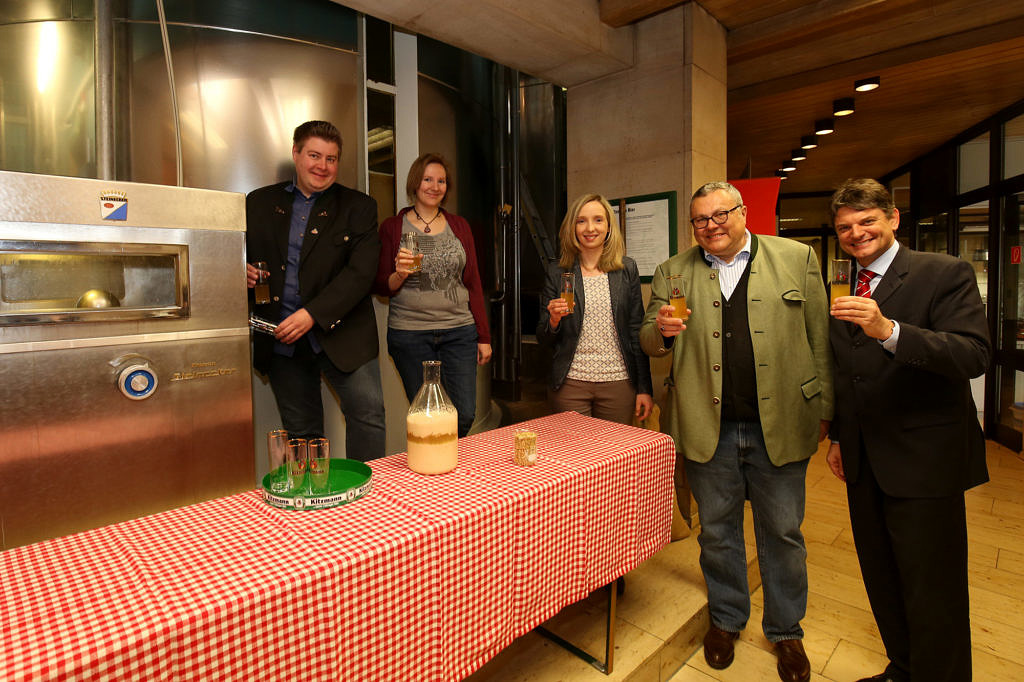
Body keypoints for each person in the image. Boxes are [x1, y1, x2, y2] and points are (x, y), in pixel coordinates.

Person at [640, 182, 832, 682]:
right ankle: (726, 619)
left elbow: (820, 337)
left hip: (782, 424)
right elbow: (648, 340)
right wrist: (660, 329)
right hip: (708, 428)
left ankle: (787, 632)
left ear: (743, 212)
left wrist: (828, 410)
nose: (712, 225)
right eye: (701, 219)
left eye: (721, 214)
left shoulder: (795, 258)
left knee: (783, 534)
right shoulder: (672, 271)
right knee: (718, 533)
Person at [827, 179, 990, 682]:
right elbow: (847, 370)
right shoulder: (847, 283)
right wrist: (837, 437)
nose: (857, 234)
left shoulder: (944, 273)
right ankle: (903, 667)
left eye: (867, 221)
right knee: (882, 576)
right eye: (846, 228)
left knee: (931, 585)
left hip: (924, 460)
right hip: (863, 457)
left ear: (893, 219)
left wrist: (890, 332)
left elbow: (973, 354)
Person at [246, 120, 385, 462]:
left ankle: (369, 501)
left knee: (368, 418)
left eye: (331, 159)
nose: (322, 166)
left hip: (345, 335)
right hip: (284, 339)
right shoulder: (258, 202)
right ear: (296, 153)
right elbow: (233, 253)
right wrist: (240, 271)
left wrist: (312, 315)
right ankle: (313, 505)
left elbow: (360, 274)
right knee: (302, 433)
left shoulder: (360, 207)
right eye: (314, 155)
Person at [373, 153, 491, 437]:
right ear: (415, 182)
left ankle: (449, 466)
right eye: (428, 179)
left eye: (441, 181)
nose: (435, 186)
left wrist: (484, 336)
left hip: (459, 331)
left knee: (463, 413)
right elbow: (379, 286)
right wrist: (400, 274)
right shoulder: (392, 227)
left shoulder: (459, 226)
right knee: (427, 417)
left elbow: (473, 282)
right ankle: (434, 475)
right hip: (410, 334)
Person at [537, 193, 654, 425]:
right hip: (570, 384)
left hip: (619, 383)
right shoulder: (557, 271)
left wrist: (644, 388)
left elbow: (635, 329)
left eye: (598, 220)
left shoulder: (626, 268)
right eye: (581, 221)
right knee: (574, 457)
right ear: (572, 227)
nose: (590, 228)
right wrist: (553, 321)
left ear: (609, 226)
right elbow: (543, 338)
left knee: (615, 457)